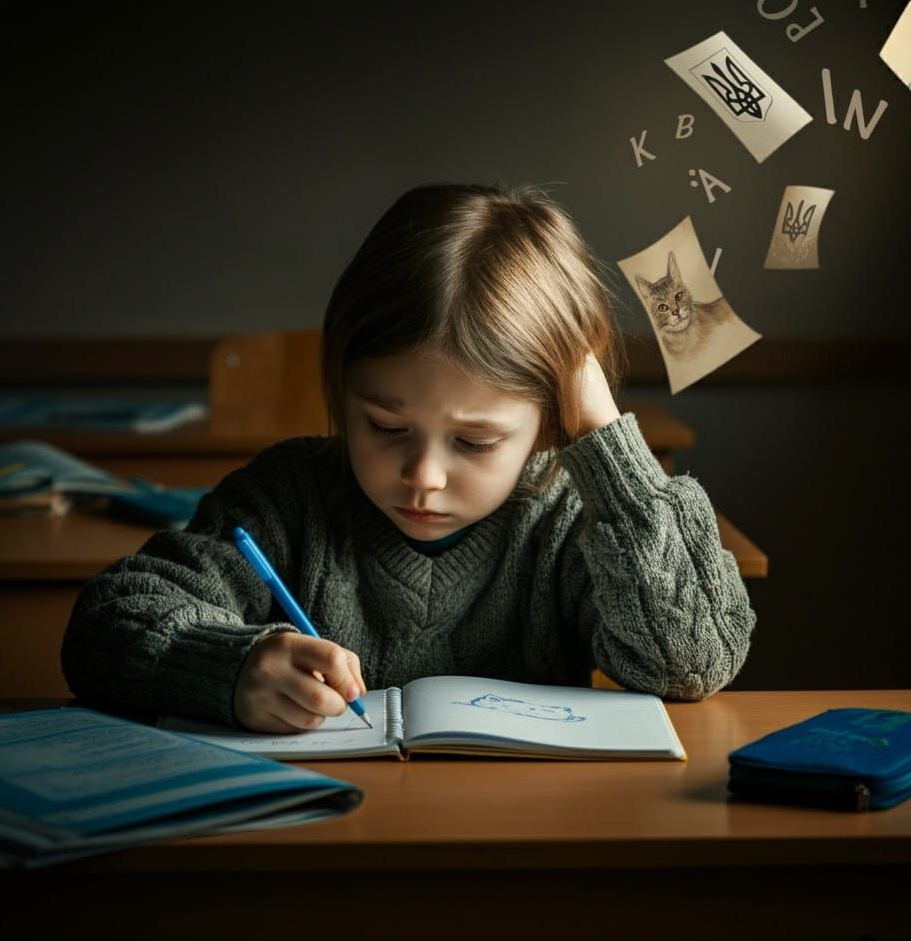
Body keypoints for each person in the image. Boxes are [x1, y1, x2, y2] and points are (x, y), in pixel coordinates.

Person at [61, 182, 756, 733]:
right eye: (386, 427)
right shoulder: (287, 499)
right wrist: (230, 667)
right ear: (343, 387)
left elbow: (692, 662)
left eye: (476, 442)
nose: (423, 477)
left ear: (549, 420)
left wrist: (602, 432)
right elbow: (107, 624)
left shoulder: (569, 520)